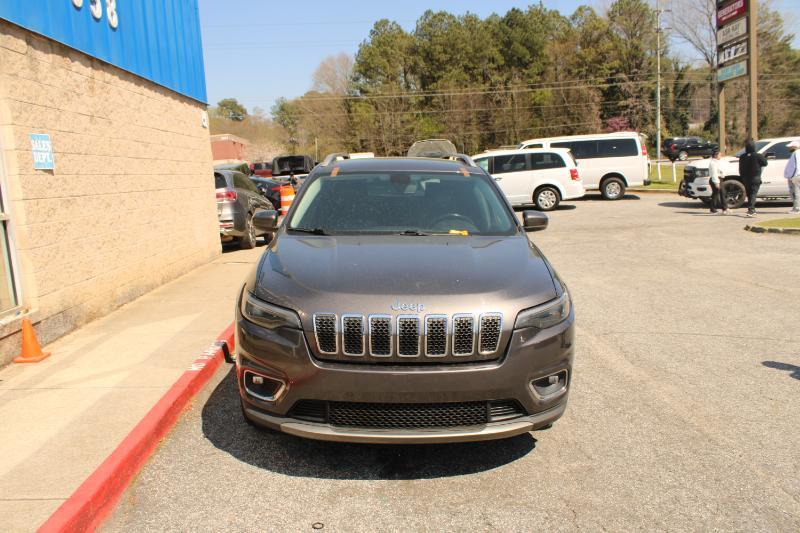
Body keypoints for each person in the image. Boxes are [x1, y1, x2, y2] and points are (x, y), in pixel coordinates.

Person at [738, 139, 767, 217]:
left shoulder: (742, 157)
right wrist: (764, 157)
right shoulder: (758, 156)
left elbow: (740, 168)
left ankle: (751, 208)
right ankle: (751, 209)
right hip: (755, 177)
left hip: (746, 178)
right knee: (753, 193)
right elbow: (765, 163)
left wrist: (742, 177)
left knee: (749, 194)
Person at [708, 150, 728, 214]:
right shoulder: (713, 163)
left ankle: (714, 209)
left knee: (718, 194)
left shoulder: (717, 162)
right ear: (715, 155)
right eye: (719, 155)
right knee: (720, 193)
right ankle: (723, 208)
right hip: (716, 179)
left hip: (719, 179)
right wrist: (716, 183)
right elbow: (714, 174)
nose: (721, 156)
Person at [784, 140, 800, 214]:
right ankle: (796, 208)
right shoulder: (796, 153)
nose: (789, 148)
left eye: (790, 147)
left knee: (796, 193)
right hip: (795, 175)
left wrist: (793, 176)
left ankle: (797, 209)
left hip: (796, 176)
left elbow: (796, 166)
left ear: (794, 147)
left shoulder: (796, 153)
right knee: (795, 192)